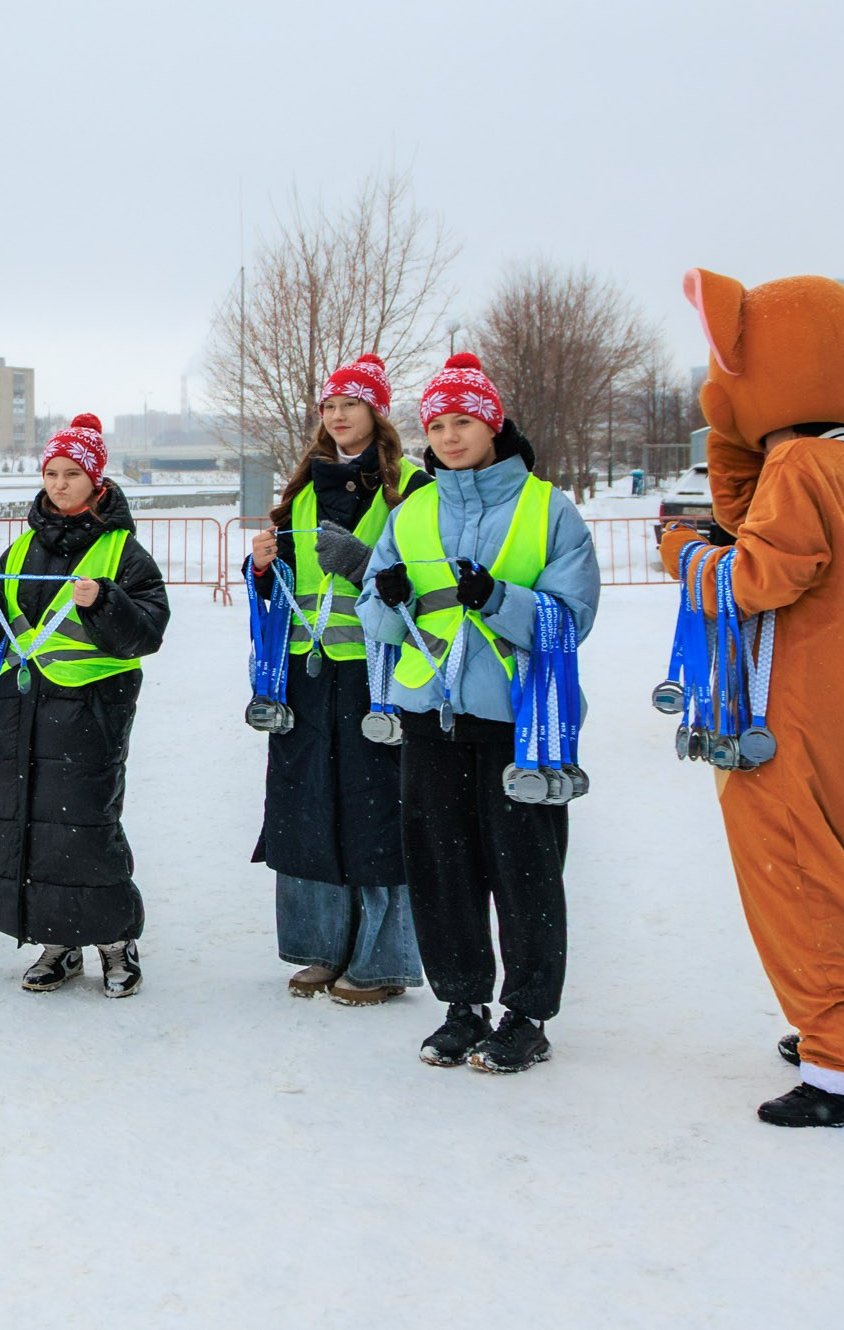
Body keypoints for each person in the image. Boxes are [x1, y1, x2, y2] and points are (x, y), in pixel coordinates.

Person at [660, 272, 844, 1128]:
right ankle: (839, 1023)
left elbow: (759, 575)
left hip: (790, 700)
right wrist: (737, 446)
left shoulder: (802, 463)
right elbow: (759, 520)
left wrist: (684, 555)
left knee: (797, 872)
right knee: (838, 863)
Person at [360, 354, 601, 1075]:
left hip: (520, 722)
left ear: (493, 425)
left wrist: (498, 599)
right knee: (442, 869)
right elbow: (374, 616)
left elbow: (573, 616)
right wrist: (391, 600)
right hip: (430, 716)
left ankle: (527, 1015)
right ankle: (462, 1005)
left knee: (526, 871)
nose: (449, 436)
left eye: (462, 421)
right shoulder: (412, 511)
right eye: (436, 425)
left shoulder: (548, 508)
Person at [0, 414, 170, 996]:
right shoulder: (22, 547)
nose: (59, 484)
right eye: (51, 473)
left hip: (91, 710)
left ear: (96, 480)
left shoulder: (123, 551)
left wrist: (104, 602)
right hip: (19, 708)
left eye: (72, 474)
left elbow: (147, 634)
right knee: (27, 822)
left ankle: (116, 943)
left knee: (86, 826)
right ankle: (56, 941)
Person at [245, 354, 424, 1005]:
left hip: (378, 675)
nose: (339, 415)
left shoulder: (411, 486)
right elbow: (288, 586)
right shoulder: (302, 489)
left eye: (352, 404)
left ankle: (381, 961)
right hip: (305, 674)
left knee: (377, 813)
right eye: (330, 406)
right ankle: (321, 947)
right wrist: (262, 569)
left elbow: (425, 580)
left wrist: (365, 564)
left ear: (377, 411)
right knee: (308, 807)